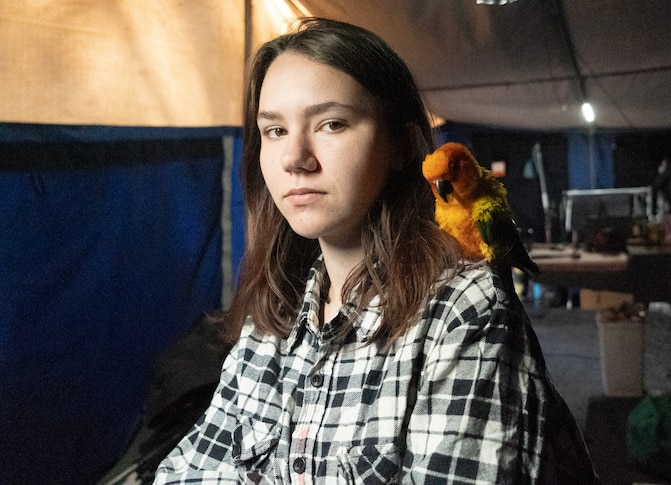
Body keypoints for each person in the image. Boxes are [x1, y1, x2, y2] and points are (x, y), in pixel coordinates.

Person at [154, 17, 599, 484]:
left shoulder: (464, 313)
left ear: (402, 146)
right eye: (275, 131)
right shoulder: (269, 324)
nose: (294, 159)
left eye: (331, 124)